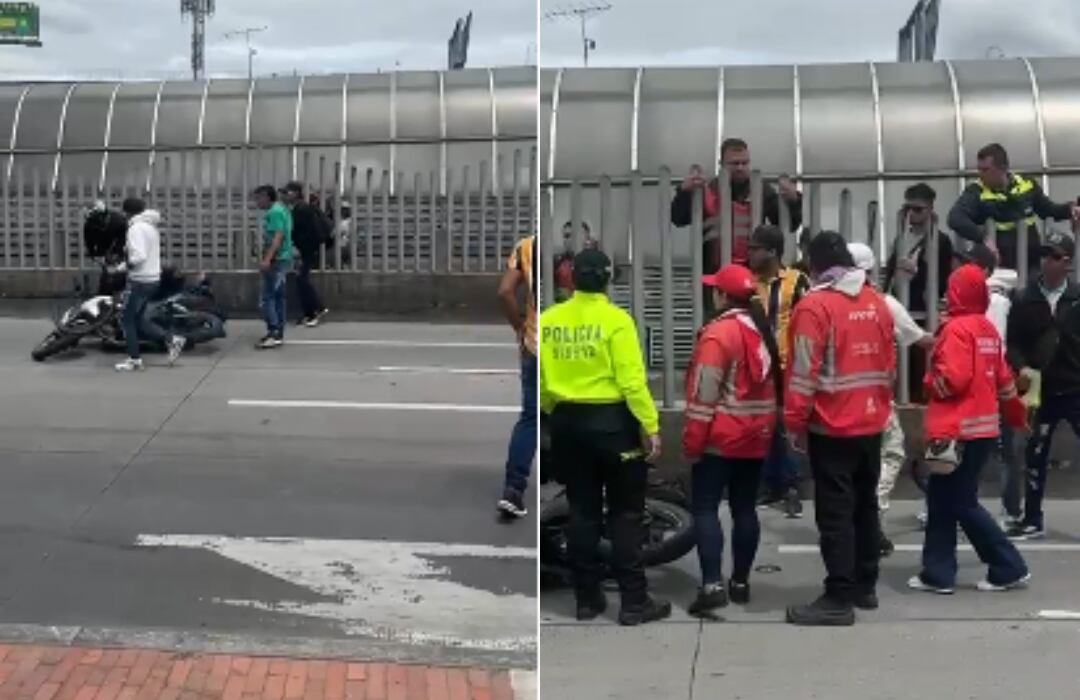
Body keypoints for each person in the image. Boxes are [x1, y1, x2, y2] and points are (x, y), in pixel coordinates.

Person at [539, 248, 671, 626]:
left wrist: (559, 413)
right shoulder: (617, 321)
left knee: (582, 512)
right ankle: (634, 602)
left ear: (572, 278)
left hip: (567, 422)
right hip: (613, 424)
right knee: (626, 514)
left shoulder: (550, 321)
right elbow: (632, 380)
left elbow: (544, 382)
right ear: (608, 280)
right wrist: (650, 425)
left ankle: (587, 599)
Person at [784, 231, 896, 626]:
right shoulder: (876, 302)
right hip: (872, 421)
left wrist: (794, 423)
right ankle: (865, 586)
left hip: (832, 425)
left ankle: (838, 596)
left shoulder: (814, 307)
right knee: (865, 508)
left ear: (812, 265)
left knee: (835, 515)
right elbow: (889, 363)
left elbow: (801, 372)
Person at [909, 263, 1031, 595]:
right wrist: (1017, 416)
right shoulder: (987, 330)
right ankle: (937, 573)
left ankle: (1007, 565)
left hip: (953, 431)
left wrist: (929, 381)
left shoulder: (955, 329)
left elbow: (953, 379)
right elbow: (1004, 381)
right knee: (943, 500)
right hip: (983, 428)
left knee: (957, 501)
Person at [683, 264, 783, 616]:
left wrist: (693, 444)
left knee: (706, 508)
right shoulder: (762, 330)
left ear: (722, 295)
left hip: (720, 438)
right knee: (745, 508)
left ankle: (711, 585)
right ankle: (740, 583)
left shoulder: (718, 334)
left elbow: (703, 396)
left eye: (715, 288)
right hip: (756, 436)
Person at [848, 242, 934, 556]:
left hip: (835, 403)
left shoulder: (824, 302)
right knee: (891, 453)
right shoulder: (884, 304)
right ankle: (871, 525)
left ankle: (852, 526)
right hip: (875, 401)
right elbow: (921, 340)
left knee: (848, 467)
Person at [1005, 229, 1080, 540]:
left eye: (1055, 256)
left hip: (1076, 387)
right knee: (1034, 456)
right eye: (1044, 255)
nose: (1047, 262)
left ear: (1067, 262)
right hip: (1041, 391)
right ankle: (1032, 518)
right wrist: (1021, 366)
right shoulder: (1024, 299)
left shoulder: (1077, 297)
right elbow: (1012, 343)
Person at [746, 225, 810, 517]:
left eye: (755, 248)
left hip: (787, 365)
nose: (749, 254)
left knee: (787, 426)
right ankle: (768, 484)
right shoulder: (747, 282)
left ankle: (791, 486)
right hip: (757, 365)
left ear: (772, 252)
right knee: (762, 425)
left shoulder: (797, 282)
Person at [671, 138, 803, 272]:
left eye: (744, 163)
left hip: (753, 275)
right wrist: (683, 192)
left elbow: (789, 225)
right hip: (714, 274)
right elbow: (678, 218)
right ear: (721, 164)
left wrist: (794, 201)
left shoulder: (761, 190)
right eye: (734, 163)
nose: (740, 168)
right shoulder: (708, 190)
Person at [948, 143, 1080, 272]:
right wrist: (984, 237)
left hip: (1031, 265)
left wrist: (1071, 209)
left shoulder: (1027, 184)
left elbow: (1049, 209)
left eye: (985, 170)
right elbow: (955, 218)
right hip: (998, 269)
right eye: (979, 169)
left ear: (1003, 167)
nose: (980, 174)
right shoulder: (975, 191)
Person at [113, 198, 185, 372]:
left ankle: (134, 360)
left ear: (127, 212)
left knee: (127, 319)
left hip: (140, 280)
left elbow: (139, 256)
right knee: (138, 319)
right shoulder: (151, 228)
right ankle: (171, 339)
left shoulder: (135, 229)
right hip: (152, 279)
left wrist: (125, 266)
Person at [495, 234, 538, 519]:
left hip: (537, 344)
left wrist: (520, 328)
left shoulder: (527, 246)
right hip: (580, 347)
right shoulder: (591, 247)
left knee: (531, 417)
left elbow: (505, 292)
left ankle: (514, 489)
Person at [282, 181, 329, 328]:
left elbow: (310, 232)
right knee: (300, 281)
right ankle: (309, 313)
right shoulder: (298, 208)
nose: (285, 195)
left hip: (306, 251)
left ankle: (318, 309)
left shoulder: (303, 209)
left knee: (303, 280)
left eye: (288, 192)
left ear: (296, 193)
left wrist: (302, 250)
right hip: (304, 250)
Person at [253, 185, 294, 349]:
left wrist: (267, 259)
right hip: (283, 258)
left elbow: (278, 237)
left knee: (267, 297)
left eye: (258, 198)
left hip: (277, 260)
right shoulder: (282, 209)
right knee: (278, 297)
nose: (257, 202)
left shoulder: (274, 213)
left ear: (266, 197)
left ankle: (274, 332)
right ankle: (278, 332)